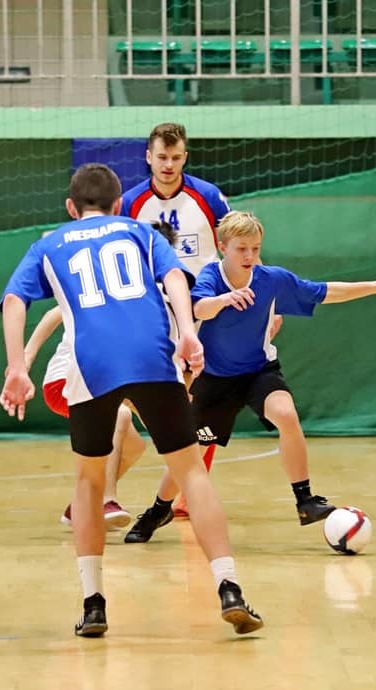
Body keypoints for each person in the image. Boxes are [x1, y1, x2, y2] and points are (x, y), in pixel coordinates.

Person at [0, 163, 263, 637]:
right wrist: (188, 332)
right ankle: (229, 588)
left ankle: (94, 604)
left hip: (91, 365)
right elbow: (176, 279)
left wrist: (18, 366)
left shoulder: (49, 244)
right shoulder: (140, 231)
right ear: (119, 204)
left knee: (88, 483)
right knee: (191, 473)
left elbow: (16, 300)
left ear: (70, 207)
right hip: (151, 357)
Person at [127, 210, 376, 543]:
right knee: (190, 450)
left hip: (259, 372)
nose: (249, 256)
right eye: (241, 249)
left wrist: (375, 286)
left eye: (255, 249)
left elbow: (324, 291)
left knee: (286, 415)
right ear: (222, 247)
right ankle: (159, 509)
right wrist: (224, 300)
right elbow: (198, 308)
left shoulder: (271, 280)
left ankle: (305, 501)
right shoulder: (211, 276)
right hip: (216, 381)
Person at [121, 122, 245, 522]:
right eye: (161, 157)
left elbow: (242, 246)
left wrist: (263, 301)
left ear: (185, 157)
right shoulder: (130, 203)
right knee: (161, 398)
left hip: (206, 308)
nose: (168, 165)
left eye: (176, 158)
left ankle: (190, 491)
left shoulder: (208, 197)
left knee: (203, 400)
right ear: (148, 157)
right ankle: (106, 488)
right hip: (153, 314)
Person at [23, 222, 178, 531]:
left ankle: (79, 506)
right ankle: (107, 500)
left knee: (134, 447)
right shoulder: (110, 283)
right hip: (67, 380)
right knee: (119, 416)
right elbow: (53, 314)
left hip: (114, 382)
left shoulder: (160, 299)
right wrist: (24, 359)